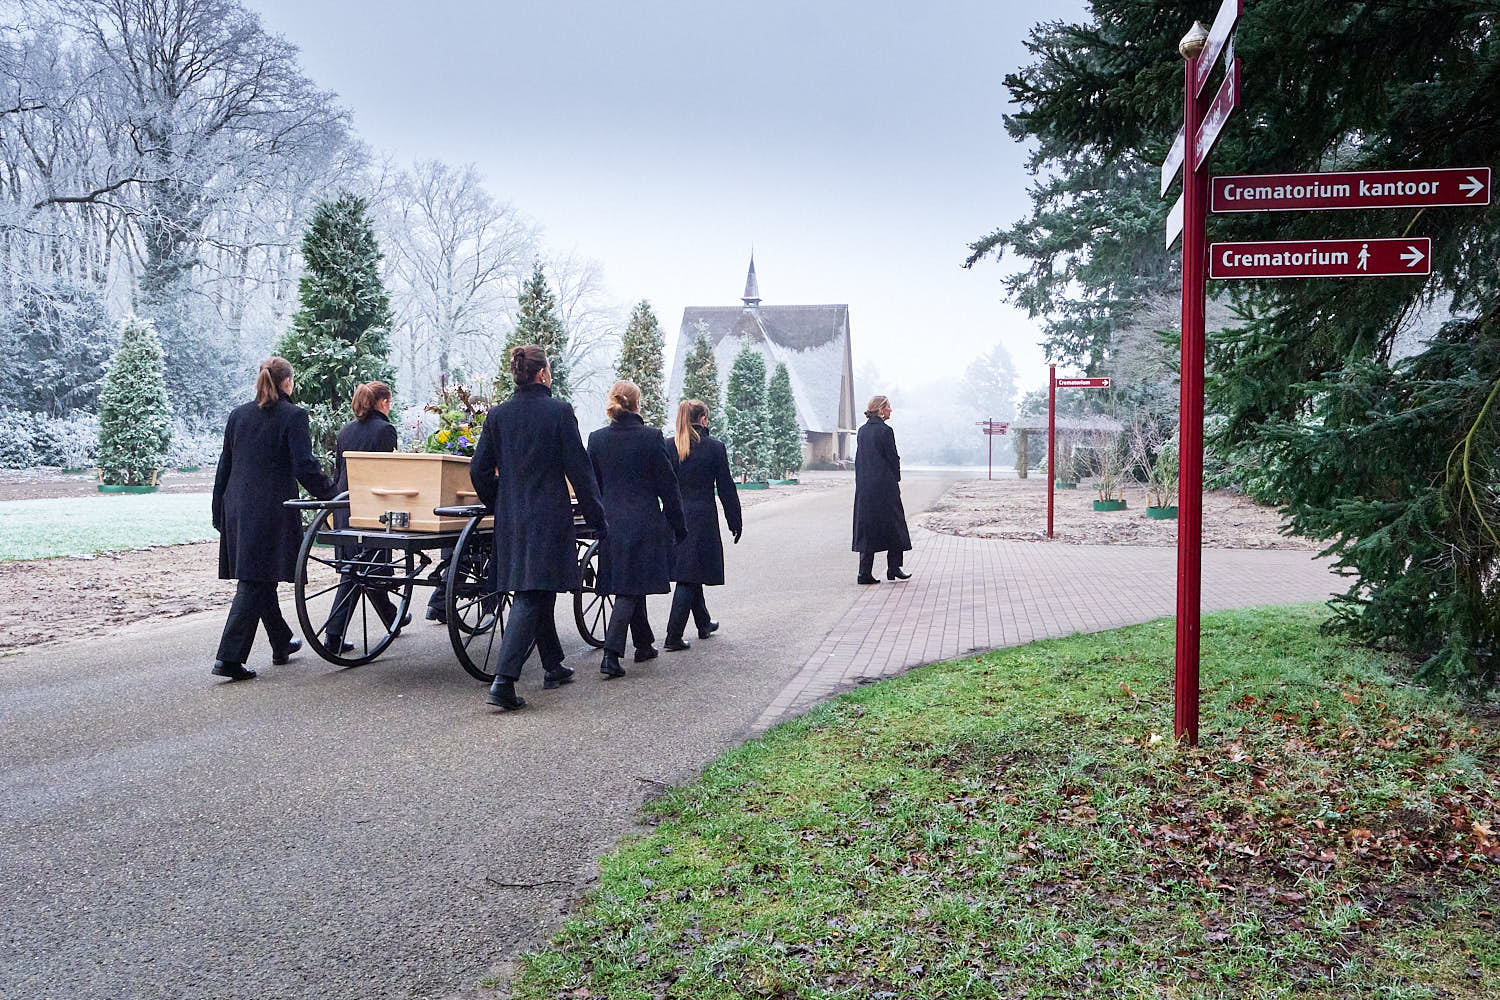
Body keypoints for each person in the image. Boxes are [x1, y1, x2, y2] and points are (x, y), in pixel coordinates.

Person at [469, 345, 606, 711]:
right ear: (543, 374)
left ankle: (553, 664)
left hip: (511, 517)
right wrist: (597, 517)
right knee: (532, 592)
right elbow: (580, 470)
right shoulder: (559, 412)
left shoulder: (498, 415)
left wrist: (500, 502)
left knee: (536, 585)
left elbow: (478, 470)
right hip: (547, 515)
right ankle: (504, 680)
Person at [210, 356, 337, 680]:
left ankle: (281, 641)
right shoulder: (293, 416)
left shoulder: (239, 415)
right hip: (268, 509)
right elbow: (304, 466)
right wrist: (331, 494)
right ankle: (229, 658)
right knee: (253, 580)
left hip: (236, 506)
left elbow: (225, 465)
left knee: (259, 575)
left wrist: (218, 511)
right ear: (287, 382)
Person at [587, 380, 686, 679]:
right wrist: (678, 525)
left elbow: (593, 485)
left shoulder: (597, 439)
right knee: (630, 588)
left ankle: (644, 644)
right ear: (636, 404)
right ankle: (612, 654)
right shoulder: (651, 438)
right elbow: (668, 487)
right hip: (643, 521)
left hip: (610, 520)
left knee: (630, 581)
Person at [323, 381, 409, 653]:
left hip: (345, 507)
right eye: (390, 401)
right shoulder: (385, 430)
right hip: (372, 508)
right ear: (383, 402)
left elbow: (339, 472)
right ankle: (333, 635)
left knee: (359, 568)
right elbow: (387, 473)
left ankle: (391, 616)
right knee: (360, 571)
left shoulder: (346, 430)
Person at [663, 399, 742, 651]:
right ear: (704, 420)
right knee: (688, 575)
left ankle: (704, 623)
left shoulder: (668, 446)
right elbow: (726, 487)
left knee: (690, 568)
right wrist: (734, 520)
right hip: (701, 518)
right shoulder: (714, 448)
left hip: (673, 516)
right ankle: (673, 636)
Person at [851, 394, 912, 585]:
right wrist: (896, 478)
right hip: (885, 486)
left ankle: (864, 572)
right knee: (895, 525)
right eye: (888, 407)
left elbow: (860, 459)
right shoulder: (886, 431)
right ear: (880, 409)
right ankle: (894, 568)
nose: (891, 410)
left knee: (867, 527)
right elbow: (893, 458)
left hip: (865, 487)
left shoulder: (862, 431)